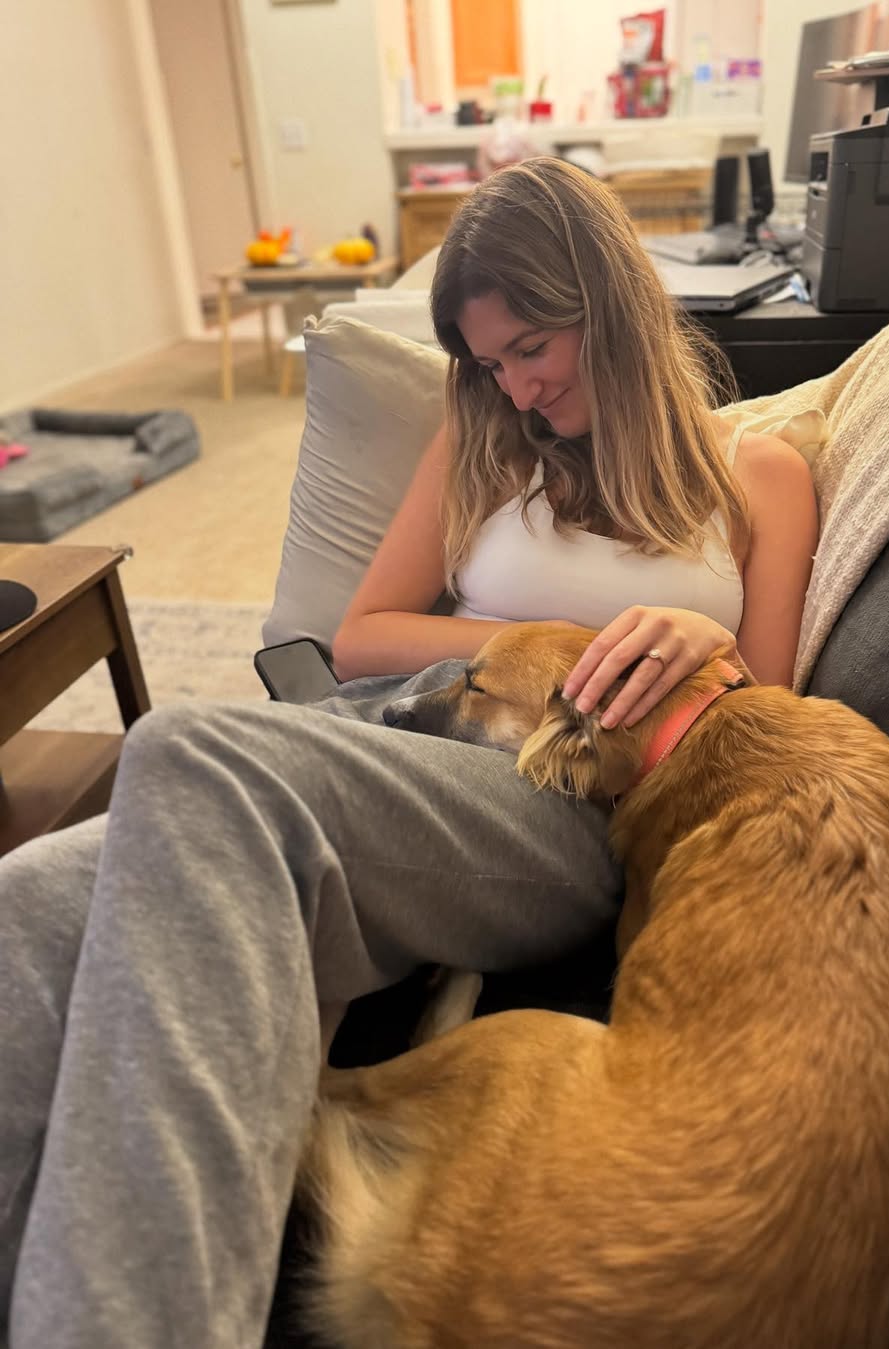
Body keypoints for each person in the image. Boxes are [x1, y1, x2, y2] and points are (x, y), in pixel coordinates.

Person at [0, 158, 816, 1349]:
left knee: (188, 750)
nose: (520, 388)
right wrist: (551, 639)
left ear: (611, 305)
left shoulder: (760, 474)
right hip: (407, 739)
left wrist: (702, 636)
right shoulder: (486, 445)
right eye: (493, 363)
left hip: (571, 797)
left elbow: (779, 708)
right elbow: (364, 635)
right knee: (27, 905)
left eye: (535, 346)